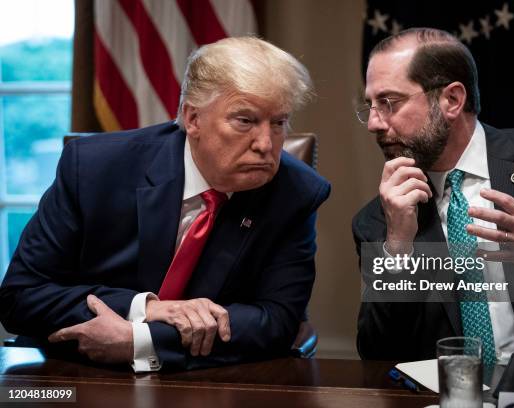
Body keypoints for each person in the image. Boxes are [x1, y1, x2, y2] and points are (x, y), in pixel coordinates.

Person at [0, 37, 330, 372]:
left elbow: (276, 321)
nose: (266, 144)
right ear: (193, 119)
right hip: (77, 371)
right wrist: (143, 308)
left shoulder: (295, 193)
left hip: (208, 383)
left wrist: (141, 340)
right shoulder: (95, 168)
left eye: (278, 123)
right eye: (245, 121)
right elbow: (21, 296)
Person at [353, 27, 514, 364]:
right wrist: (398, 249)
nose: (374, 123)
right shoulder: (379, 220)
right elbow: (378, 353)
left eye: (389, 103)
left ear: (451, 100)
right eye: (370, 106)